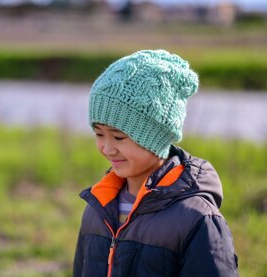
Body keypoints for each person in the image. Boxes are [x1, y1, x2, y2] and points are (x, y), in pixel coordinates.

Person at [73, 49, 238, 277]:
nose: (107, 148)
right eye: (99, 134)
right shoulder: (97, 207)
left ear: (156, 137)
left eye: (119, 137)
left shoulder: (196, 219)